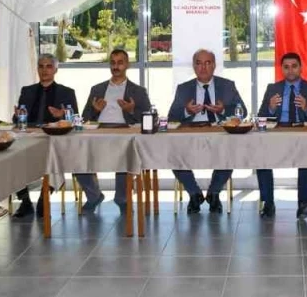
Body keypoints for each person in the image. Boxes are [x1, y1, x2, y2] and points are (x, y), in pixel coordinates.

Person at [167, 49, 245, 214]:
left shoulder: (227, 86)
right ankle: (194, 193)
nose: (203, 67)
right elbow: (171, 117)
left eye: (207, 63)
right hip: (191, 134)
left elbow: (242, 111)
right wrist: (187, 111)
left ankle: (214, 193)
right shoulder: (184, 88)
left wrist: (223, 110)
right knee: (174, 154)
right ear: (194, 66)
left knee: (230, 153)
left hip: (219, 133)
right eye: (199, 63)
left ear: (214, 66)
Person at [77, 49, 150, 213]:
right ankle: (94, 195)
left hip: (124, 135)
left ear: (127, 65)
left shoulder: (138, 91)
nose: (116, 67)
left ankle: (122, 198)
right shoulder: (97, 89)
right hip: (99, 134)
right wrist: (95, 110)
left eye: (120, 63)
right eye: (113, 63)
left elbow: (149, 118)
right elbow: (84, 118)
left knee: (126, 155)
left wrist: (131, 110)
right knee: (75, 156)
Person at [255, 52, 307, 219]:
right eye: (286, 67)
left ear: (301, 68)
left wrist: (306, 109)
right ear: (282, 69)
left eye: (294, 66)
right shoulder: (273, 89)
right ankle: (268, 202)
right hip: (278, 133)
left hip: (302, 134)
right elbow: (261, 117)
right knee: (261, 157)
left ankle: (304, 203)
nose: (290, 70)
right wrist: (271, 108)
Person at [12, 54, 80, 219]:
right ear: (37, 69)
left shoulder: (67, 92)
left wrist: (61, 116)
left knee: (53, 155)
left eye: (49, 66)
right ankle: (25, 201)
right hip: (30, 136)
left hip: (54, 138)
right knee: (11, 157)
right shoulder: (27, 91)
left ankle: (44, 198)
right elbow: (17, 119)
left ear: (55, 70)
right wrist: (18, 116)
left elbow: (75, 120)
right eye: (41, 66)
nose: (44, 70)